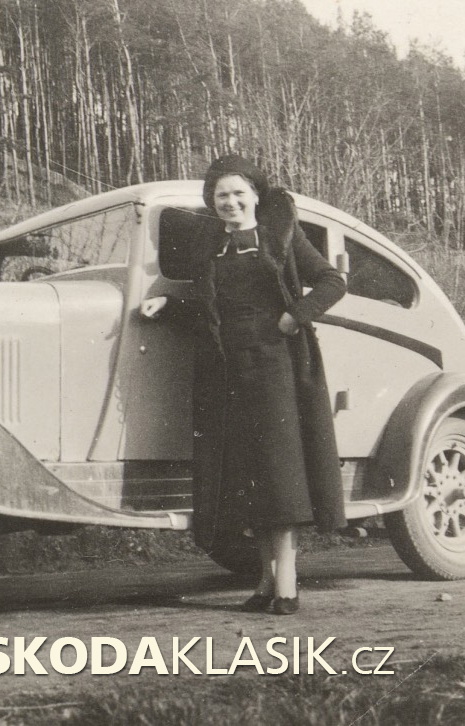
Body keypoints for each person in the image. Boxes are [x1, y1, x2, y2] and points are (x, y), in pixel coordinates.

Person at [141, 154, 347, 615]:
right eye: (221, 195)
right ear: (211, 201)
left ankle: (287, 585)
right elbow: (209, 312)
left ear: (255, 195)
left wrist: (295, 317)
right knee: (250, 480)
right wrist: (168, 307)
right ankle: (266, 582)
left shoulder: (282, 237)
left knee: (280, 477)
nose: (230, 202)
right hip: (227, 372)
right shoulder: (210, 247)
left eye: (238, 193)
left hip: (276, 369)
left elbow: (332, 282)